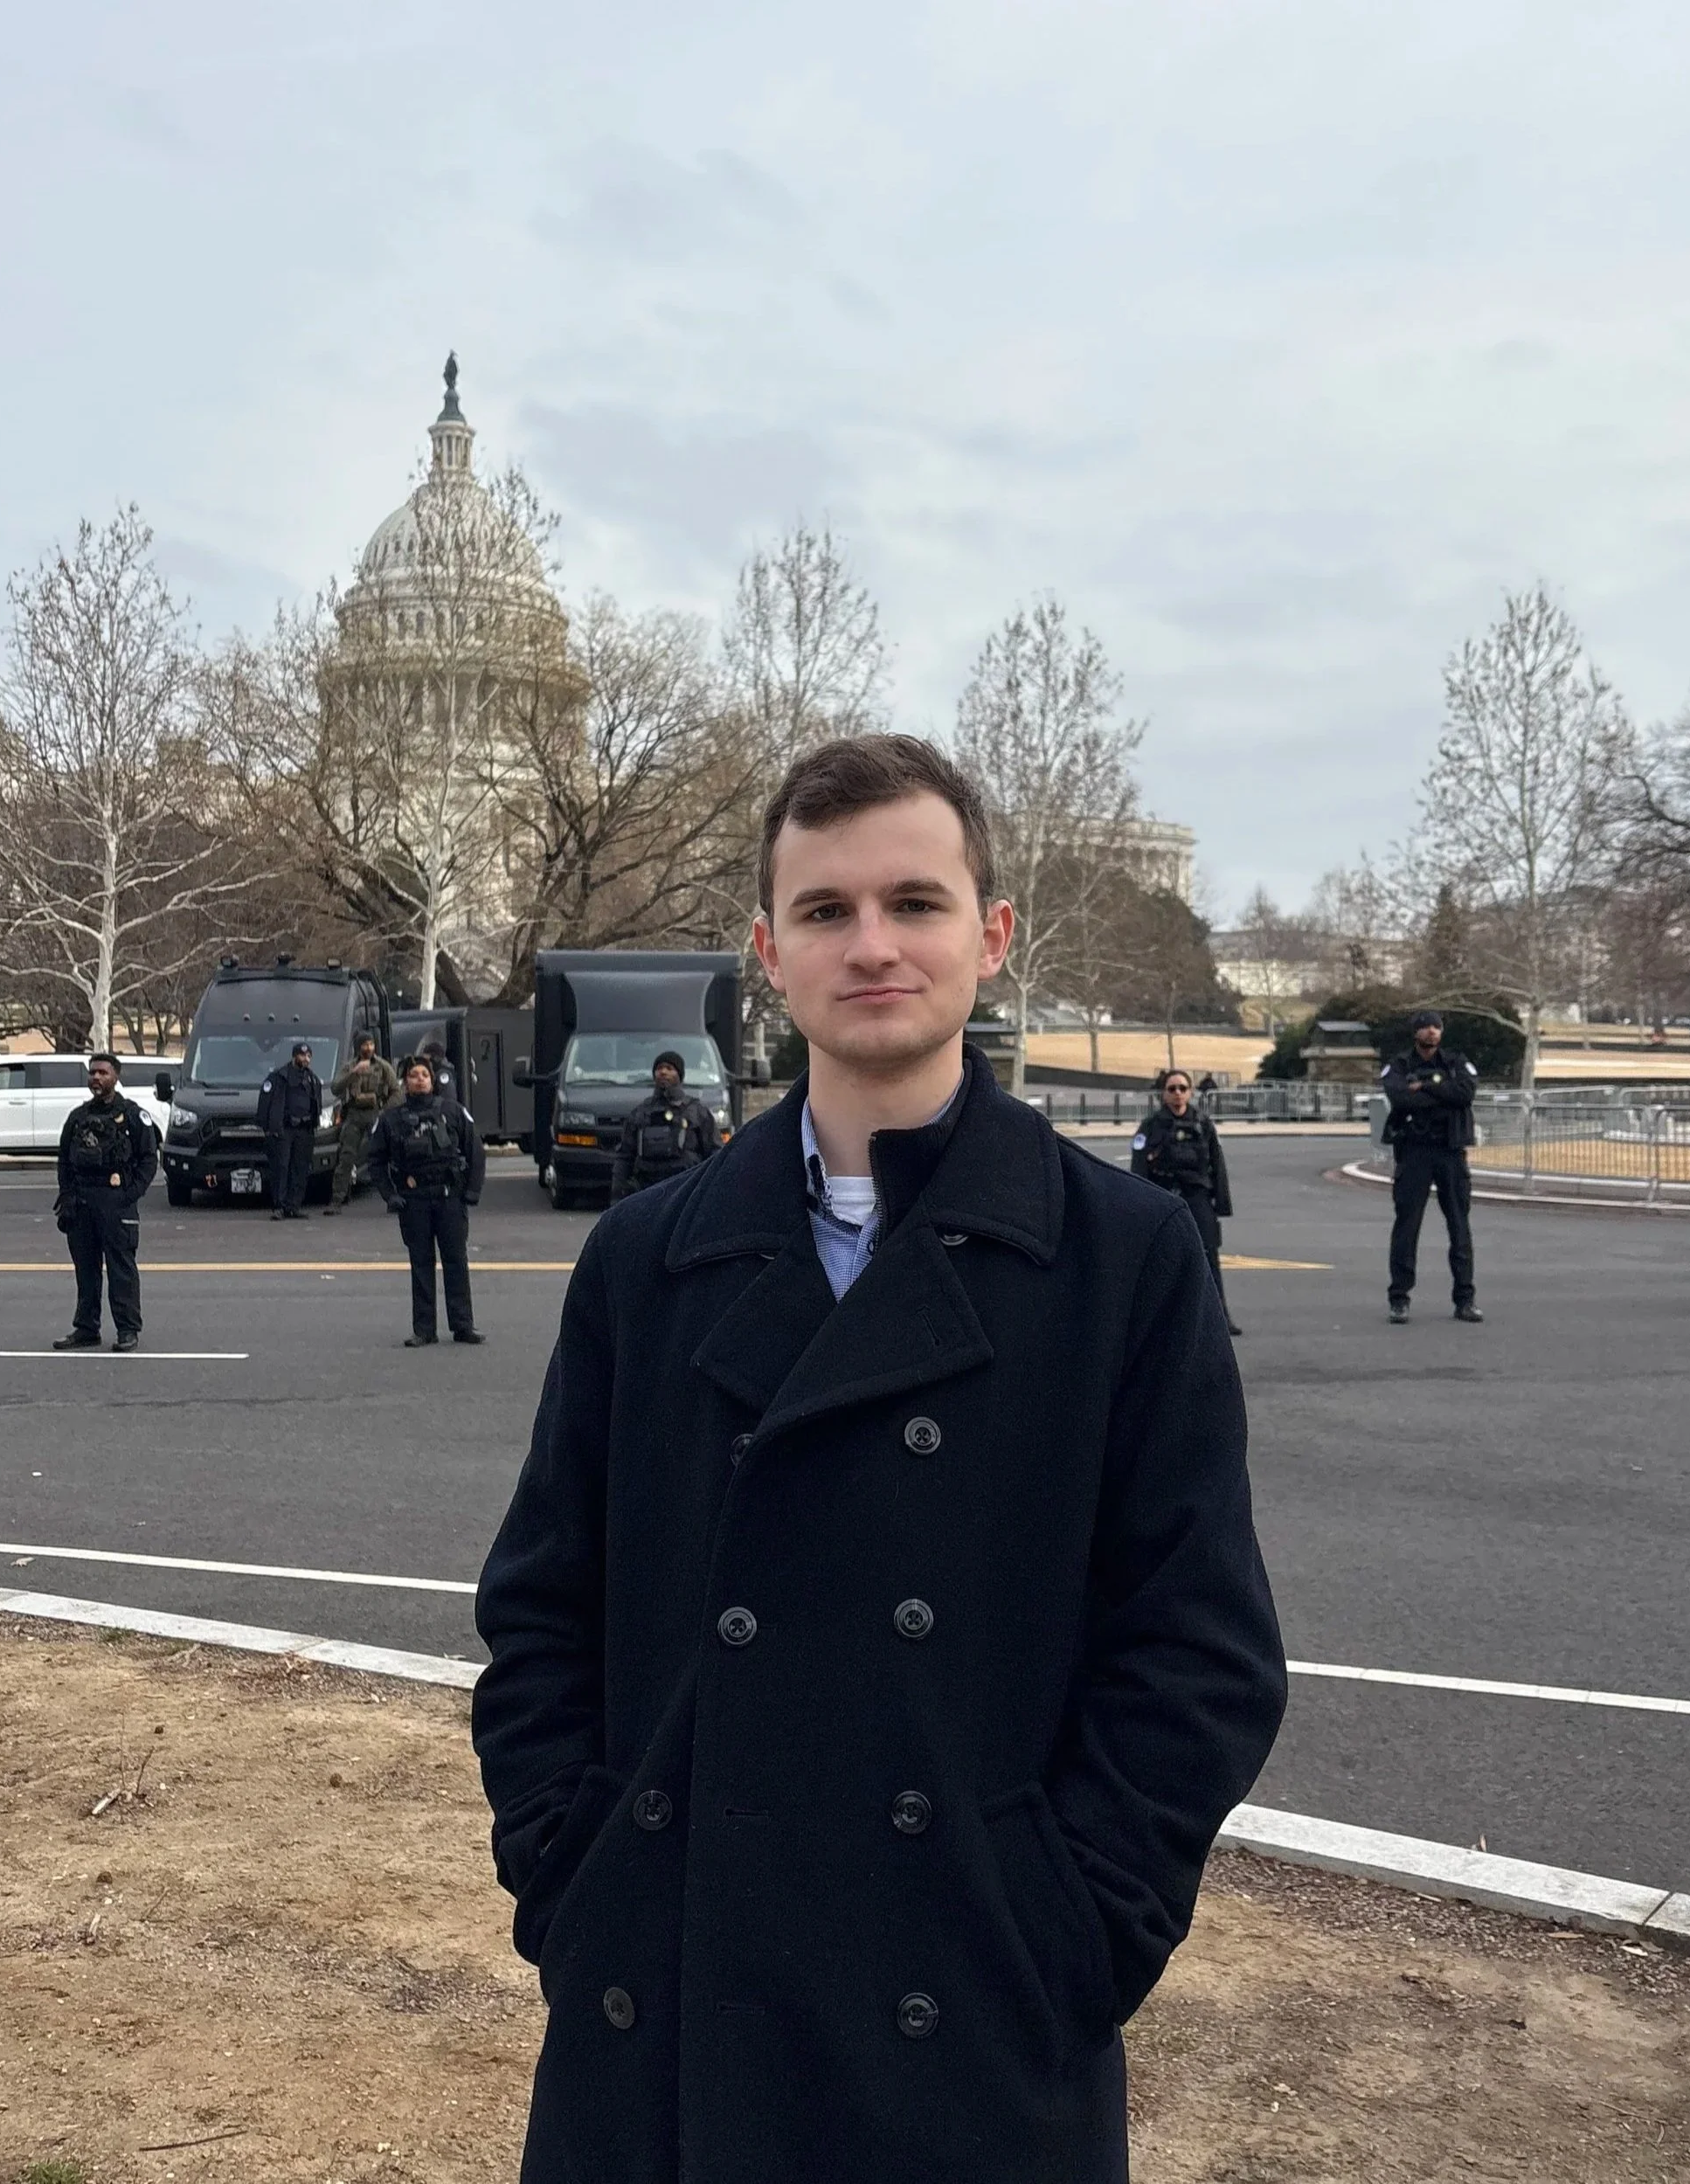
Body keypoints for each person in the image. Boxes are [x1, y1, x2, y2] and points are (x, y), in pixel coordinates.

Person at [471, 734, 1285, 2184]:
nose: (873, 946)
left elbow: (1199, 1650)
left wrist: (1073, 1928)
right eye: (827, 911)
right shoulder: (646, 1258)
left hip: (972, 2002)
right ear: (767, 955)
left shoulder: (1127, 1260)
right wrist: (572, 1877)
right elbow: (543, 1610)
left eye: (913, 903)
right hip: (662, 1995)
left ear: (992, 935)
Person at [366, 1054, 485, 1347]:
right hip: (414, 1201)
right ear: (405, 1081)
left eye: (424, 1074)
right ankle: (424, 1329)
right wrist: (391, 1195)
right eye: (413, 1075)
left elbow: (476, 1152)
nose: (420, 1079)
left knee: (456, 1261)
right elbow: (376, 1160)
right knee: (421, 1264)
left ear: (432, 1080)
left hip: (449, 1199)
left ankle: (463, 1325)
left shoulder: (453, 1111)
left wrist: (471, 1191)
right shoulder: (390, 1119)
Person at [50, 1053, 161, 1353]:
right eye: (92, 1073)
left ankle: (127, 1330)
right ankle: (86, 1328)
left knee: (121, 1270)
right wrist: (68, 1195)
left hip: (117, 1205)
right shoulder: (78, 1117)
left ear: (115, 1076)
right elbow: (64, 1160)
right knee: (86, 1271)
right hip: (82, 1204)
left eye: (103, 1073)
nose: (96, 1078)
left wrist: (128, 1194)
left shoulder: (134, 1116)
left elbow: (149, 1160)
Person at [1381, 1009, 1481, 1324]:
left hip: (1450, 1151)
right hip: (1414, 1152)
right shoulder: (1400, 1065)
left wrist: (1424, 1088)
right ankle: (1399, 1299)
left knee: (1459, 1228)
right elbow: (1399, 1097)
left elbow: (1465, 1093)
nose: (1431, 1033)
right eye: (1425, 1028)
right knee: (1407, 1227)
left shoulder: (1456, 1061)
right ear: (1415, 1033)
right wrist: (1441, 1093)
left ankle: (1465, 1299)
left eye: (1436, 1027)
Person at [1131, 1066, 1241, 1333]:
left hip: (1197, 1197)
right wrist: (1140, 1207)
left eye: (1183, 1088)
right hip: (1165, 1199)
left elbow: (1217, 1164)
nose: (1178, 1094)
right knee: (1161, 1262)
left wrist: (1221, 1204)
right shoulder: (1150, 1127)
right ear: (1164, 1094)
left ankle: (1220, 1319)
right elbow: (1139, 1169)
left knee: (1208, 1258)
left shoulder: (1203, 1125)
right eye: (1172, 1089)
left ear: (1190, 1092)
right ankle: (1157, 1324)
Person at [610, 1048, 723, 1202]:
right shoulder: (641, 1113)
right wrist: (618, 1194)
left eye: (669, 1068)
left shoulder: (697, 1111)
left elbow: (715, 1153)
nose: (663, 1072)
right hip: (647, 1190)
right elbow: (625, 1156)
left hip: (685, 1190)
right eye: (659, 1068)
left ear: (679, 1075)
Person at [326, 1033, 398, 1213]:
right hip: (354, 1115)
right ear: (358, 1047)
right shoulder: (350, 1067)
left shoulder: (382, 1067)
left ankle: (392, 1197)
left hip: (376, 1115)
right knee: (346, 1157)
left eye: (371, 1043)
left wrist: (384, 1112)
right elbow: (335, 1088)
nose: (369, 1048)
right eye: (365, 1044)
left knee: (383, 1156)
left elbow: (397, 1092)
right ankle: (337, 1201)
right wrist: (353, 1073)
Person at [256, 1039, 323, 1219]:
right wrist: (268, 1128)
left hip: (304, 1129)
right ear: (294, 1056)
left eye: (309, 1056)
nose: (306, 1059)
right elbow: (265, 1104)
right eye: (302, 1055)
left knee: (300, 1168)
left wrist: (314, 1123)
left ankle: (294, 1205)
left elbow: (316, 1103)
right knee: (281, 1168)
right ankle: (279, 1206)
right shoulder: (279, 1077)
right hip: (284, 1129)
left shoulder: (312, 1079)